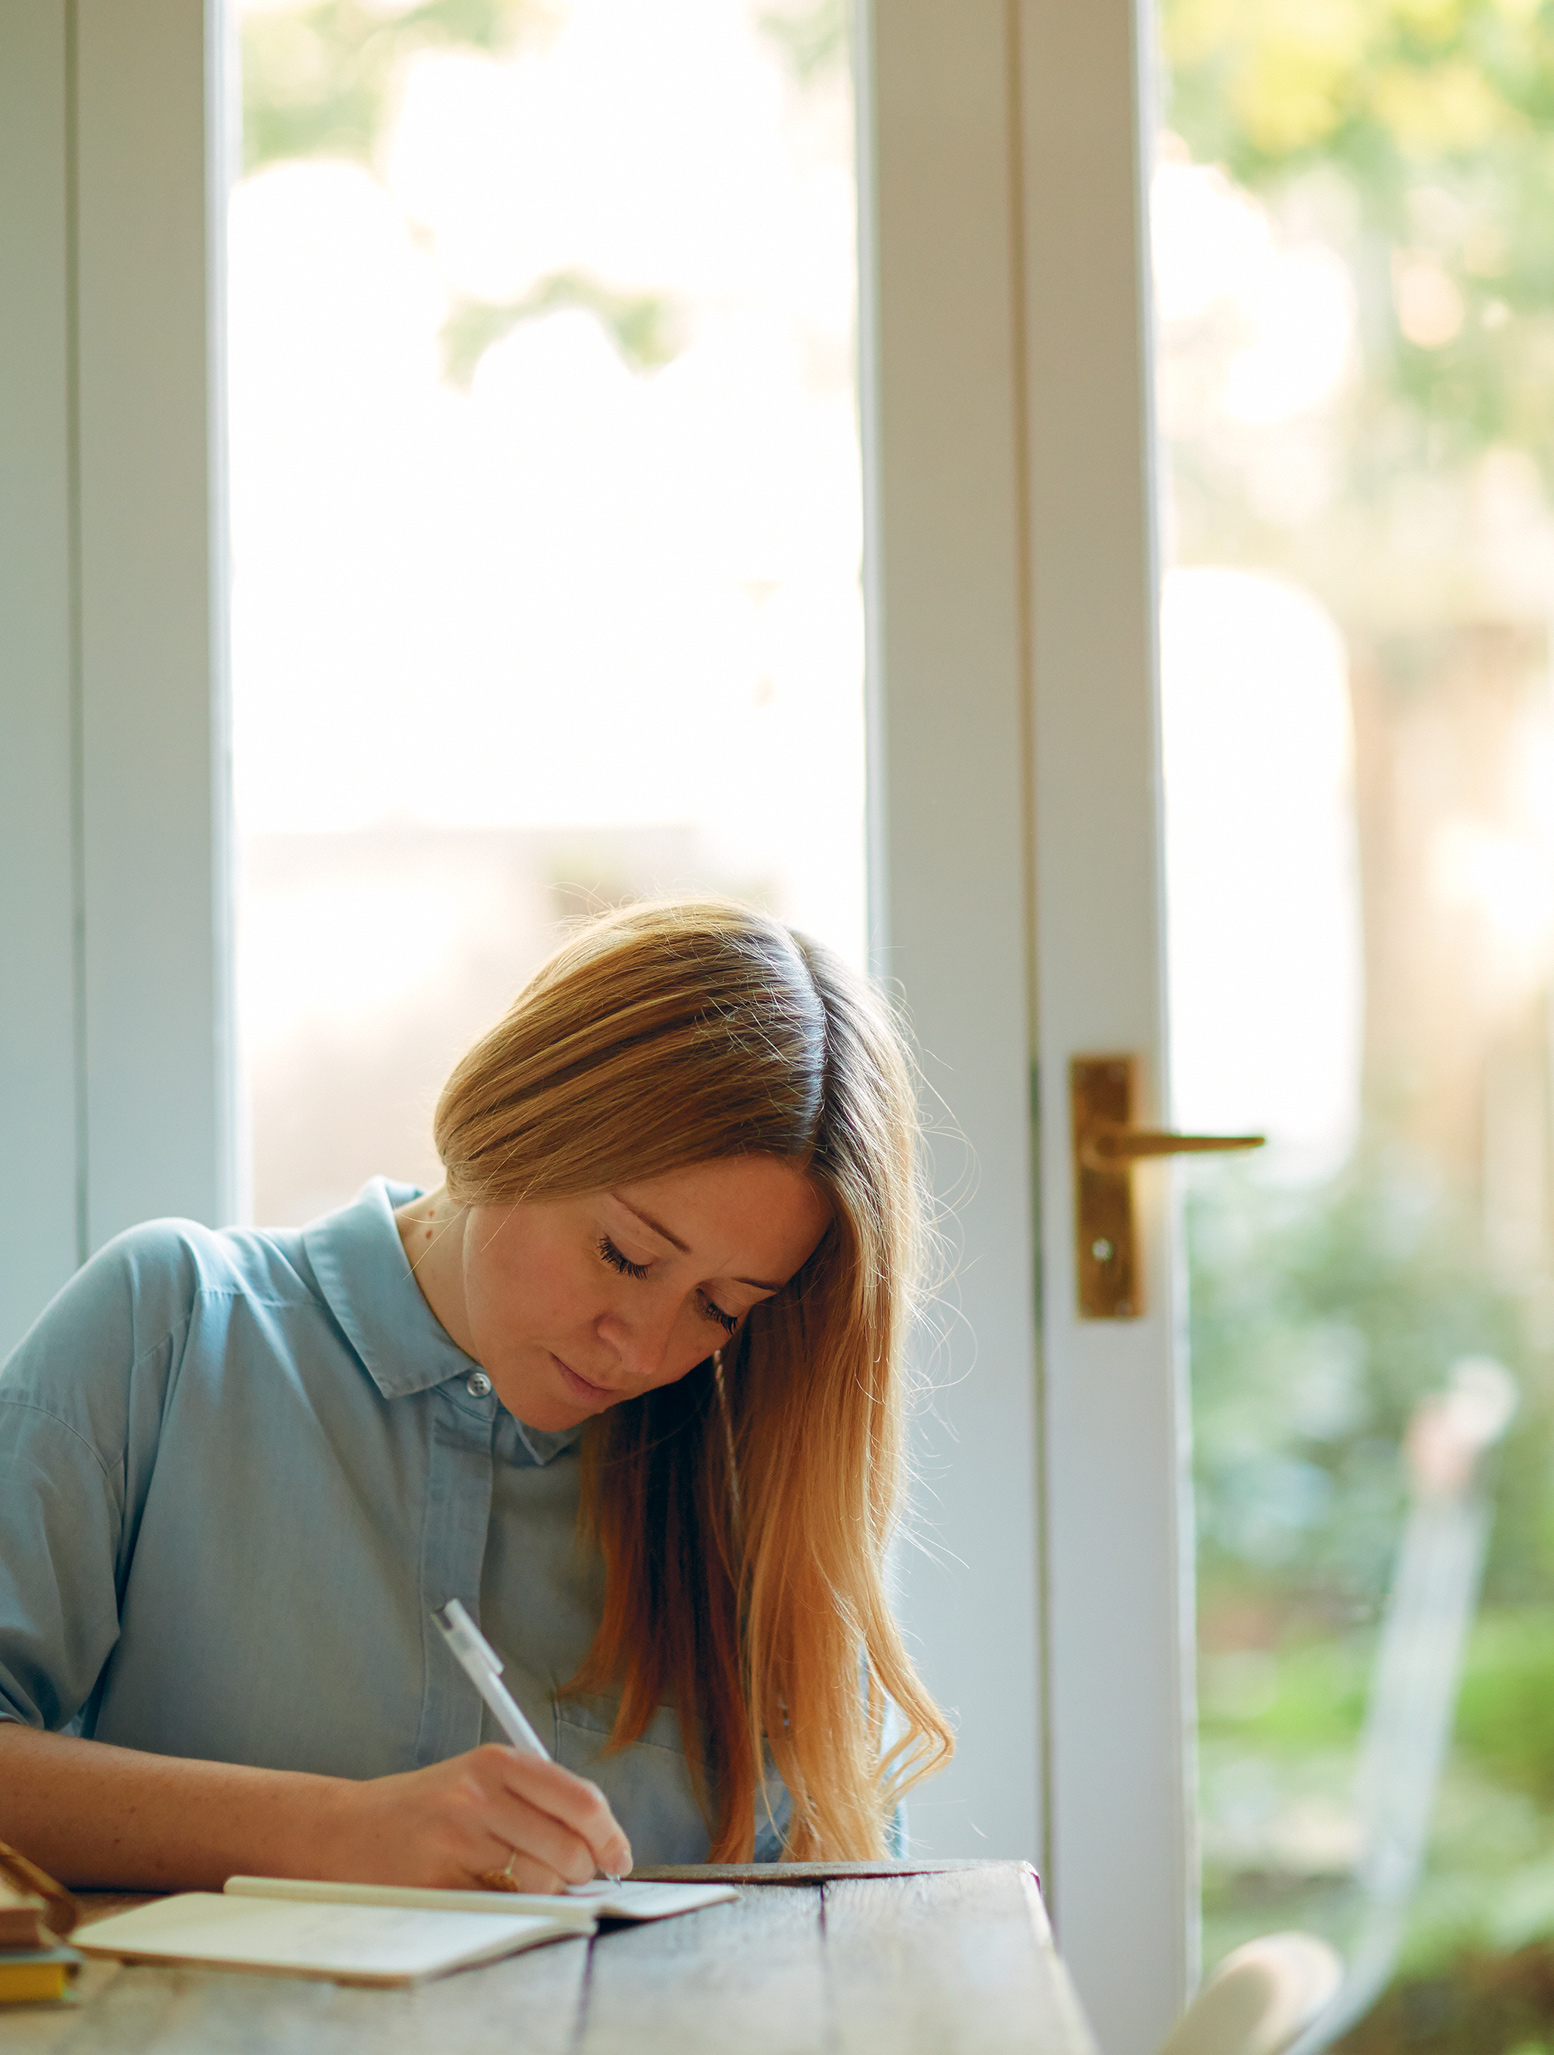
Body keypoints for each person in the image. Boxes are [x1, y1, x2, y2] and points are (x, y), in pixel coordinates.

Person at [0, 900, 953, 1891]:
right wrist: (329, 1832)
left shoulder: (753, 1484)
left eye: (720, 1308)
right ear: (515, 1122)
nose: (643, 1350)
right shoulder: (171, 1328)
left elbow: (840, 1927)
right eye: (624, 1255)